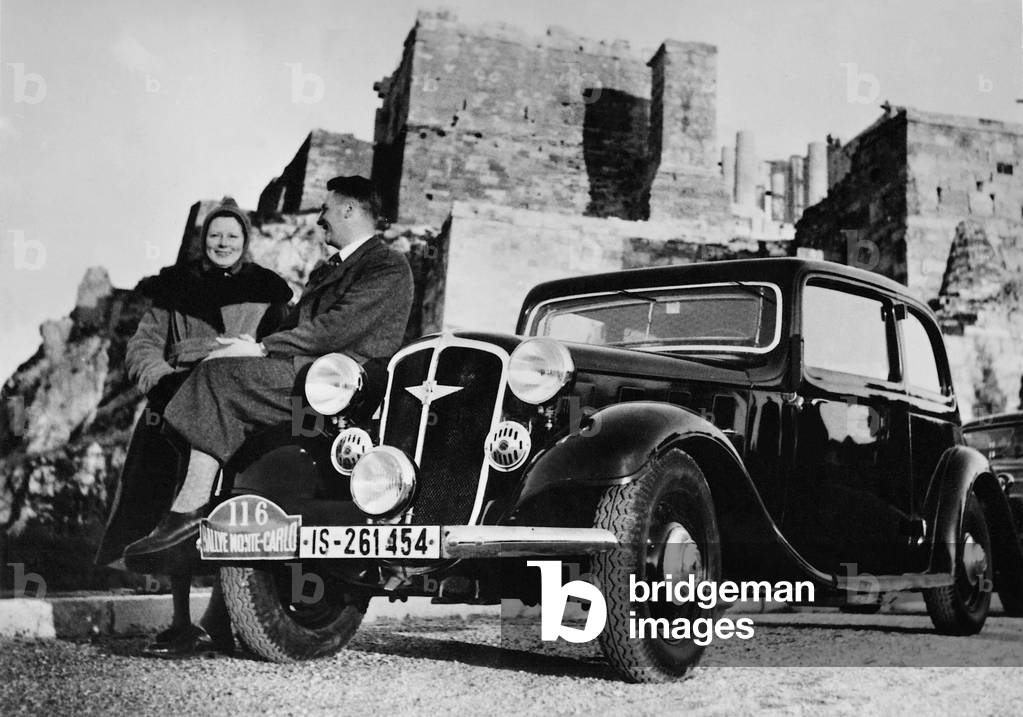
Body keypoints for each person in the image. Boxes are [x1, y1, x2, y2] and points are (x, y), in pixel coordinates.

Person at [122, 175, 414, 558]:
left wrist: (259, 348)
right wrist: (242, 348)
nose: (319, 218)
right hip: (308, 371)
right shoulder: (330, 269)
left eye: (325, 209)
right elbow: (295, 327)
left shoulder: (387, 265)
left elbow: (335, 328)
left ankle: (191, 507)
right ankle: (217, 510)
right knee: (214, 375)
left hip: (340, 382)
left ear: (348, 210)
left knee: (216, 379)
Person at [96, 197, 293, 657]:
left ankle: (225, 618)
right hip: (176, 404)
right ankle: (181, 622)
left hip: (241, 404)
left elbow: (280, 348)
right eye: (215, 236)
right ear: (203, 242)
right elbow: (142, 347)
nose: (223, 243)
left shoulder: (270, 291)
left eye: (232, 236)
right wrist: (161, 383)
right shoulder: (174, 290)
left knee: (238, 506)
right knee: (171, 507)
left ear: (245, 241)